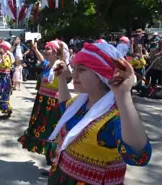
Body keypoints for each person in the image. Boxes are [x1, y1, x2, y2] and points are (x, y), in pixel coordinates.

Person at [46, 42, 152, 184]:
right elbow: (65, 109)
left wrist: (123, 95)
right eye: (75, 68)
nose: (74, 74)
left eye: (82, 69)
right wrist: (61, 78)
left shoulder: (114, 116)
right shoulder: (81, 102)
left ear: (101, 75)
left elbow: (139, 156)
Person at [18, 40, 70, 175]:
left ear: (55, 52)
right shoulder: (48, 65)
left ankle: (55, 163)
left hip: (53, 105)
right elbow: (42, 60)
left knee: (51, 132)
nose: (44, 51)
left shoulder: (60, 66)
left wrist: (64, 58)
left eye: (47, 49)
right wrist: (35, 49)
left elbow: (69, 75)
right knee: (42, 130)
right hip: (42, 103)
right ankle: (51, 160)